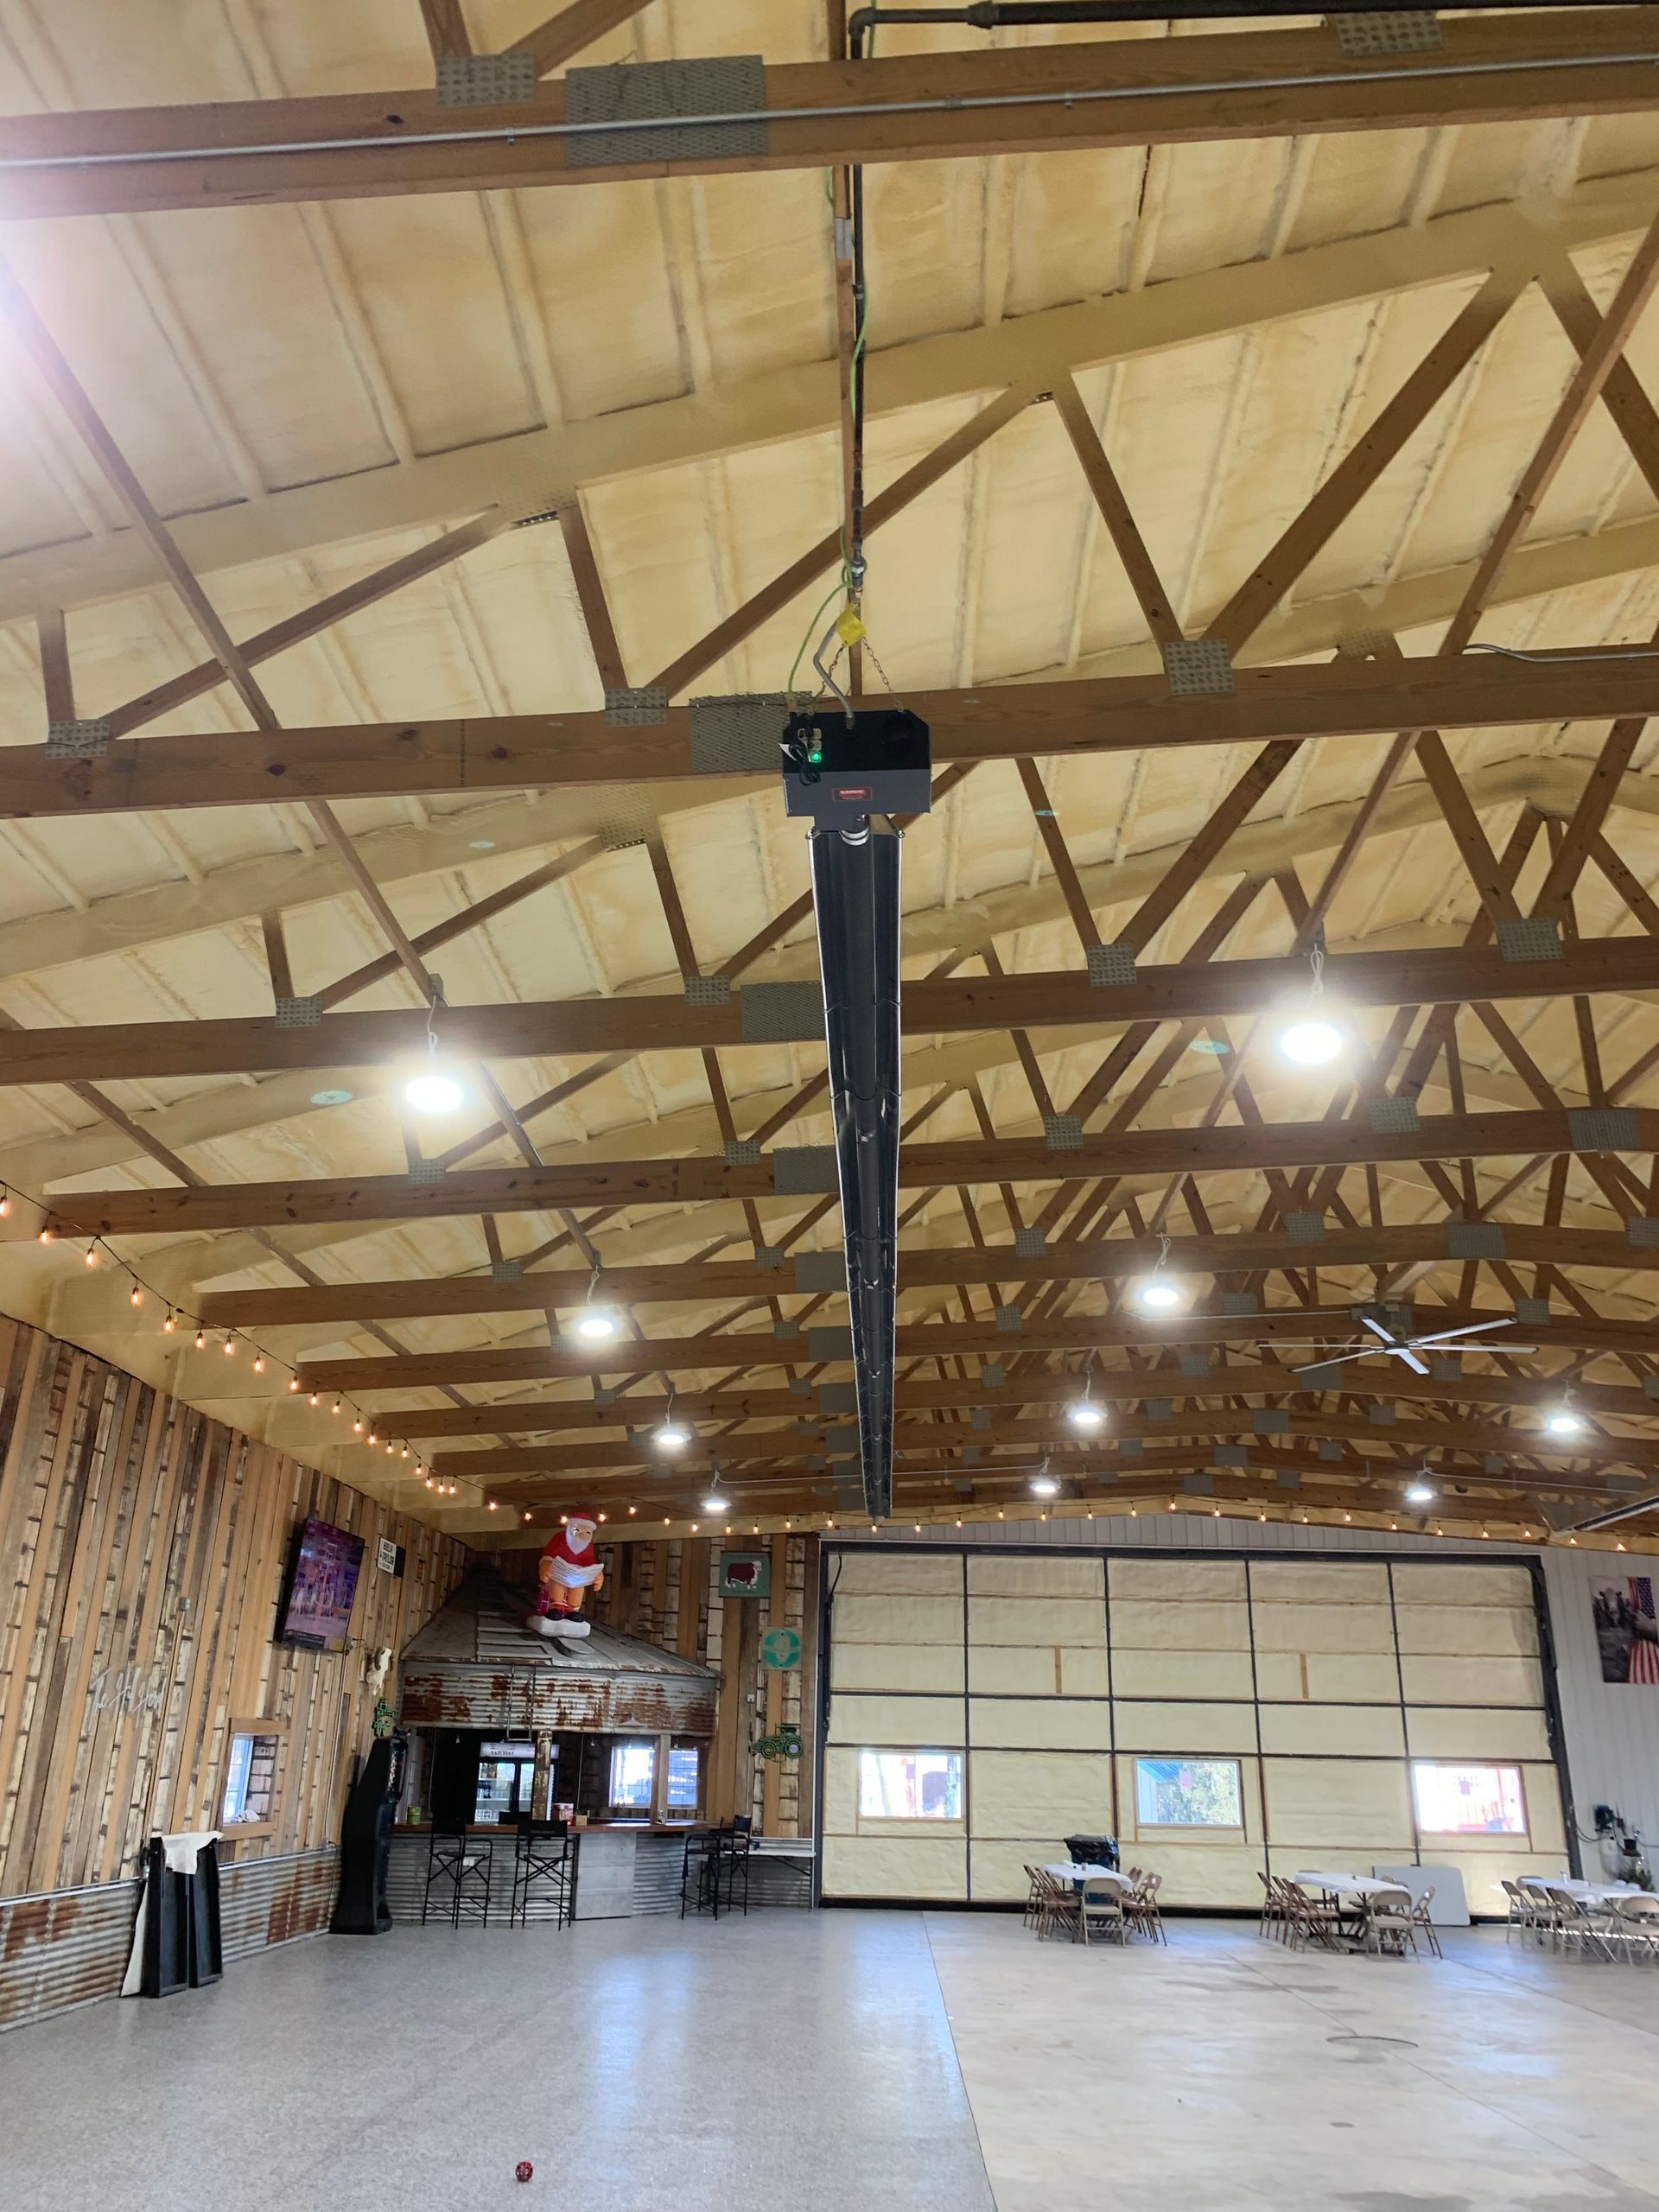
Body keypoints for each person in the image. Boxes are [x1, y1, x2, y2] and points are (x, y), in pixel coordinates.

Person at [528, 1512, 605, 1639]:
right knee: (558, 1583)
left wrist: (596, 1574)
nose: (582, 1535)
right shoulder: (559, 1539)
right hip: (559, 1574)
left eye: (587, 1533)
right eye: (577, 1530)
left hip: (577, 1576)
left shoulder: (588, 1547)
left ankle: (573, 1611)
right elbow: (548, 1554)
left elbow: (590, 1561)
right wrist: (546, 1564)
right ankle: (556, 1608)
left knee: (579, 1586)